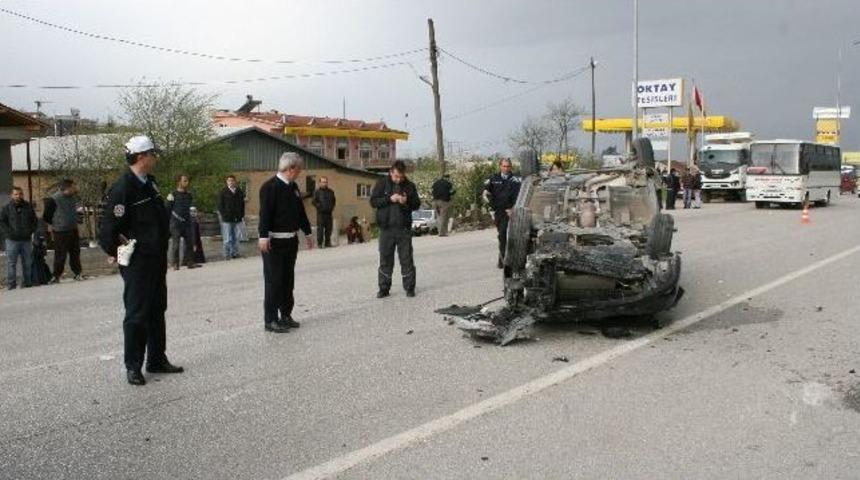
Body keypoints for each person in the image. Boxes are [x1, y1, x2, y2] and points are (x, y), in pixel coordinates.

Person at [99, 135, 183, 386]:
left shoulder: (150, 184)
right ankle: (133, 366)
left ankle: (156, 359)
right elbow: (108, 230)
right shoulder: (123, 188)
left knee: (157, 309)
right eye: (152, 154)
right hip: (138, 261)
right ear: (141, 157)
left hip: (156, 258)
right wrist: (118, 253)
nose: (155, 158)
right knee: (137, 313)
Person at [258, 152, 313, 333]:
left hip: (291, 241)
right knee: (274, 281)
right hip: (274, 242)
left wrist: (308, 232)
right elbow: (265, 214)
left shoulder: (293, 187)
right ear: (290, 168)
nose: (299, 173)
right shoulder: (269, 187)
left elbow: (300, 212)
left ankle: (286, 315)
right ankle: (271, 320)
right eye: (298, 169)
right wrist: (263, 236)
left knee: (288, 280)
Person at [370, 160, 420, 298]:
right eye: (396, 176)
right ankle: (384, 288)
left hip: (403, 229)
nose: (398, 179)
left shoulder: (409, 186)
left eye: (401, 177)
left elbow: (416, 204)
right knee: (385, 259)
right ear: (390, 172)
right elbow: (373, 202)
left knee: (406, 259)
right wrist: (389, 199)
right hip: (386, 229)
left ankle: (409, 288)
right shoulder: (381, 184)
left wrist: (406, 201)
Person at [483, 158, 521, 269]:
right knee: (502, 235)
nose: (506, 168)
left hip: (513, 211)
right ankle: (503, 259)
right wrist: (491, 208)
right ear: (500, 166)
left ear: (510, 167)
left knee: (512, 236)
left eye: (508, 166)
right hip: (499, 212)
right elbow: (485, 194)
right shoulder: (493, 179)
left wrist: (513, 209)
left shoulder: (516, 179)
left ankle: (506, 260)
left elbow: (521, 195)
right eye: (504, 166)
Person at [43, 179, 82, 282]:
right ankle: (56, 275)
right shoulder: (53, 199)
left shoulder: (73, 198)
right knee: (60, 254)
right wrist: (56, 224)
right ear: (67, 188)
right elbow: (46, 216)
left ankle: (77, 273)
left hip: (73, 229)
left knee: (75, 253)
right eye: (73, 187)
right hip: (60, 231)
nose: (75, 189)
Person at [1, 186, 37, 289]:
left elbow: (34, 220)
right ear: (12, 195)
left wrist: (30, 231)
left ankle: (27, 283)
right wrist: (8, 233)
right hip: (12, 240)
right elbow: (2, 222)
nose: (18, 196)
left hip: (26, 240)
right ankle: (11, 284)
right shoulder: (6, 208)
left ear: (22, 195)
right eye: (16, 194)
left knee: (27, 262)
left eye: (20, 194)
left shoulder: (28, 206)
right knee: (11, 263)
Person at [166, 174, 200, 270]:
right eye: (184, 181)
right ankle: (175, 264)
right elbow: (167, 209)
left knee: (189, 243)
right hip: (176, 223)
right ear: (179, 182)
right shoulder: (172, 195)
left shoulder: (189, 195)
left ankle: (190, 262)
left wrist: (195, 216)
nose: (187, 182)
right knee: (176, 244)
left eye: (187, 180)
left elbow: (192, 208)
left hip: (187, 223)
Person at [217, 175, 245, 259]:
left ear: (235, 181)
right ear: (227, 182)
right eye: (229, 181)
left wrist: (241, 215)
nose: (231, 182)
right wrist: (224, 215)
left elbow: (242, 204)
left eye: (232, 180)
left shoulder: (239, 191)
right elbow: (220, 205)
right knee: (227, 237)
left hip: (237, 218)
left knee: (236, 237)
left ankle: (234, 253)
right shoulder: (223, 192)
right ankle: (227, 254)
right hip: (227, 219)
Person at [311, 176, 336, 248]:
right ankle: (319, 244)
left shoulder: (331, 191)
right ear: (320, 183)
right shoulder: (317, 192)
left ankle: (327, 243)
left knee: (329, 229)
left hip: (329, 213)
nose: (324, 183)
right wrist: (319, 207)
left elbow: (334, 201)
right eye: (323, 182)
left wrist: (332, 207)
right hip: (321, 214)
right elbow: (313, 201)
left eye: (326, 182)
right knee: (320, 230)